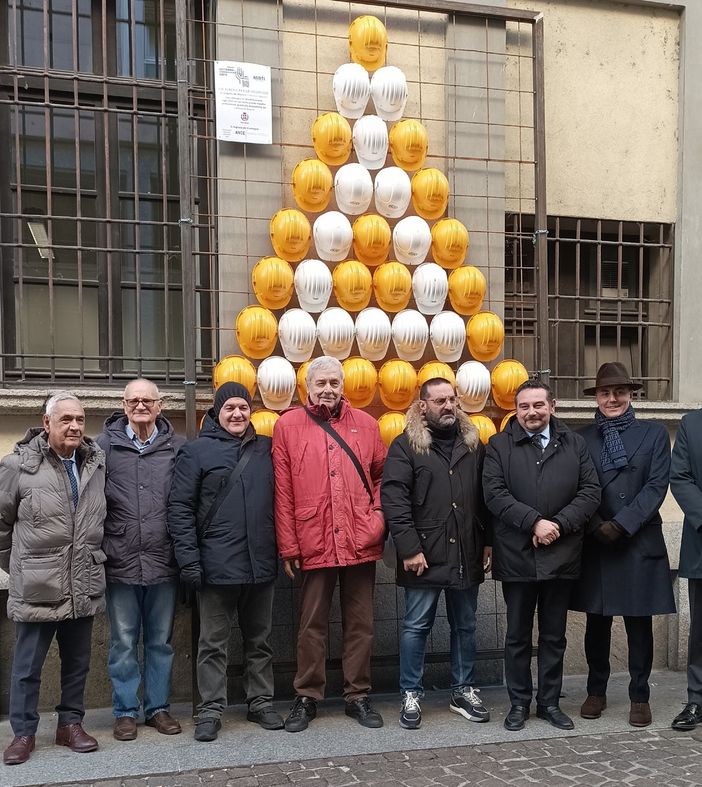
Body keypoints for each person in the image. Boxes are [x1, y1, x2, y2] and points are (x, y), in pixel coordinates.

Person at [272, 356, 387, 732]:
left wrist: (377, 519)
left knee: (361, 623)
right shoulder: (287, 425)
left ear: (344, 385)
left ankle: (358, 694)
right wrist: (289, 545)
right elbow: (283, 488)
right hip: (312, 537)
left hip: (359, 537)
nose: (327, 389)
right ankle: (307, 696)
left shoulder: (367, 425)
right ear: (307, 386)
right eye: (320, 383)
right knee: (311, 624)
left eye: (334, 383)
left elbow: (384, 477)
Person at [168, 382, 283, 742]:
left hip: (260, 562)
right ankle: (211, 709)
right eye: (229, 407)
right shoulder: (196, 452)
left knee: (260, 640)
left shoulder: (266, 449)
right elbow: (180, 510)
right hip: (215, 565)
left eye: (243, 408)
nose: (237, 414)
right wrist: (189, 562)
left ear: (251, 412)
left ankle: (261, 701)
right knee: (212, 643)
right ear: (216, 412)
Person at [483, 380, 600, 732]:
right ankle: (518, 702)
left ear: (552, 406)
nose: (531, 412)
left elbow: (590, 491)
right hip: (516, 555)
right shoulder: (498, 446)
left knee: (553, 636)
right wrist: (534, 522)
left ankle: (549, 702)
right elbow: (494, 494)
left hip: (561, 554)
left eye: (538, 405)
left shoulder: (575, 444)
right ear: (515, 410)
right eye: (524, 407)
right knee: (517, 635)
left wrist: (558, 525)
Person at [0, 392, 107, 766]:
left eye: (80, 419)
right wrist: (21, 567)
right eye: (66, 420)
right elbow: (1, 525)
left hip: (83, 581)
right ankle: (23, 733)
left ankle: (70, 725)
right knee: (27, 667)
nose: (75, 426)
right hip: (36, 586)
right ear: (47, 424)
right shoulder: (17, 466)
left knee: (77, 662)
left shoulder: (95, 464)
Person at [381, 377, 491, 730]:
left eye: (452, 400)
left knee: (466, 625)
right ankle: (410, 693)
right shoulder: (405, 446)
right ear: (422, 406)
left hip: (467, 550)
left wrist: (488, 541)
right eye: (439, 400)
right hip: (423, 554)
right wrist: (409, 548)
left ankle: (463, 690)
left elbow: (486, 498)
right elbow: (394, 499)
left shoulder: (474, 446)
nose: (448, 406)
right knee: (416, 626)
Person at [571, 362, 675, 728]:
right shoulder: (580, 438)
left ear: (631, 395)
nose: (612, 398)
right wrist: (597, 523)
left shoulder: (654, 434)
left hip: (636, 539)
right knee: (596, 623)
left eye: (619, 392)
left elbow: (656, 486)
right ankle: (595, 691)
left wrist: (623, 523)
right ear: (596, 397)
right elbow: (578, 485)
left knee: (638, 622)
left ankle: (639, 695)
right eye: (605, 392)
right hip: (597, 540)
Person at [97, 378, 185, 741]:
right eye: (133, 401)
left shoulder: (178, 448)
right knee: (122, 640)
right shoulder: (103, 448)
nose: (140, 406)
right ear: (123, 404)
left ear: (160, 405)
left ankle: (158, 708)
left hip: (163, 558)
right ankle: (125, 711)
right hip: (120, 560)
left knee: (160, 640)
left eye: (147, 400)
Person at [670, 407, 702, 730]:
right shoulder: (691, 424)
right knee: (701, 631)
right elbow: (679, 477)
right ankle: (697, 699)